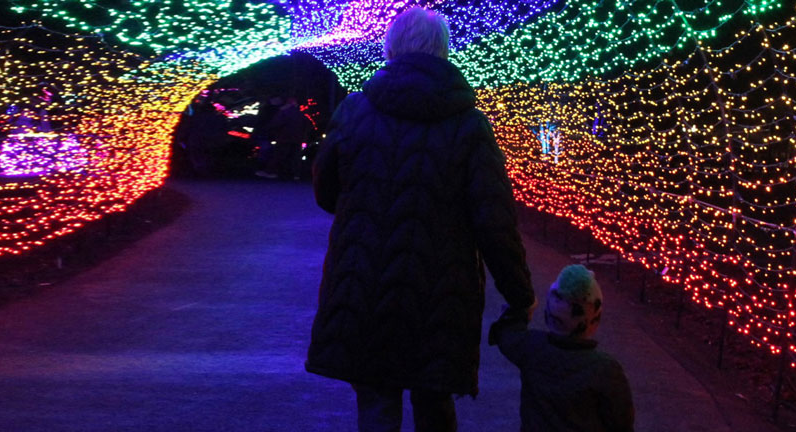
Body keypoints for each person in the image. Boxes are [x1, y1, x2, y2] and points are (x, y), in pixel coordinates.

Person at [307, 6, 534, 432]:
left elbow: (325, 190)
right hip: (441, 295)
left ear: (391, 47)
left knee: (376, 404)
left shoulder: (356, 111)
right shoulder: (469, 126)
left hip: (364, 284)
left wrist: (366, 211)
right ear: (444, 52)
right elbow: (494, 221)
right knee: (434, 404)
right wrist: (519, 294)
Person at [490, 265, 634, 432]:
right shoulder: (607, 370)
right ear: (593, 320)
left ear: (549, 314)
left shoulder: (530, 347)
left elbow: (506, 334)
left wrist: (520, 311)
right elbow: (621, 423)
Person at [256, 96, 309, 179]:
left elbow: (276, 123)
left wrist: (268, 129)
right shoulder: (300, 113)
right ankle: (296, 174)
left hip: (284, 137)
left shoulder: (284, 112)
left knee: (279, 155)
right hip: (297, 138)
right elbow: (305, 126)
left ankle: (271, 172)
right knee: (295, 157)